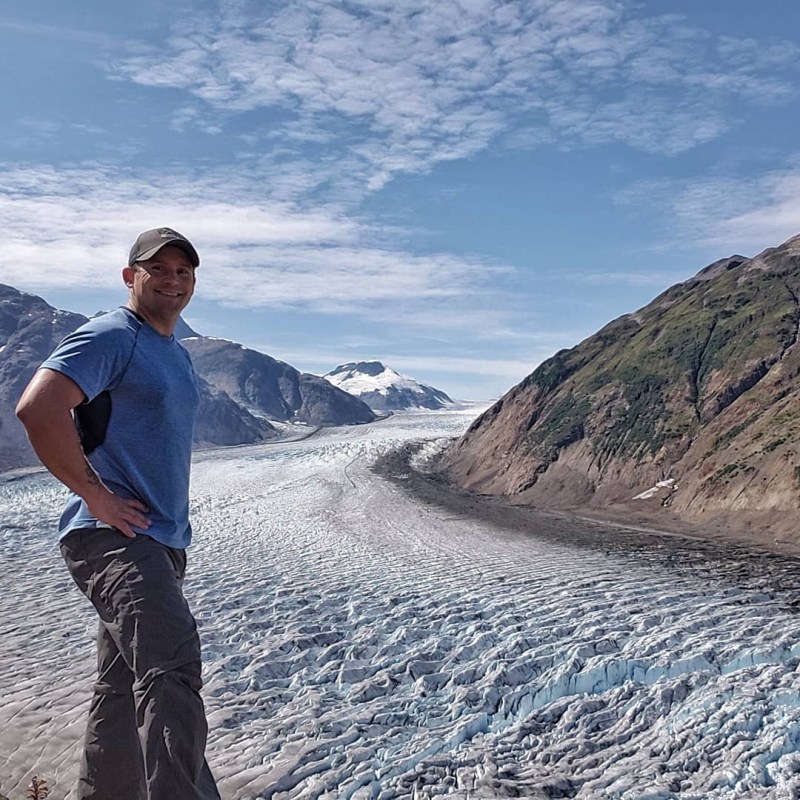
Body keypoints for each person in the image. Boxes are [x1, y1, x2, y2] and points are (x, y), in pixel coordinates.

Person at [16, 227, 220, 800]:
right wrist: (94, 494)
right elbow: (39, 407)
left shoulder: (174, 352)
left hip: (159, 542)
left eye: (184, 271)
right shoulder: (112, 334)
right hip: (117, 540)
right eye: (159, 269)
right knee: (172, 674)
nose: (174, 280)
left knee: (122, 689)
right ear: (131, 276)